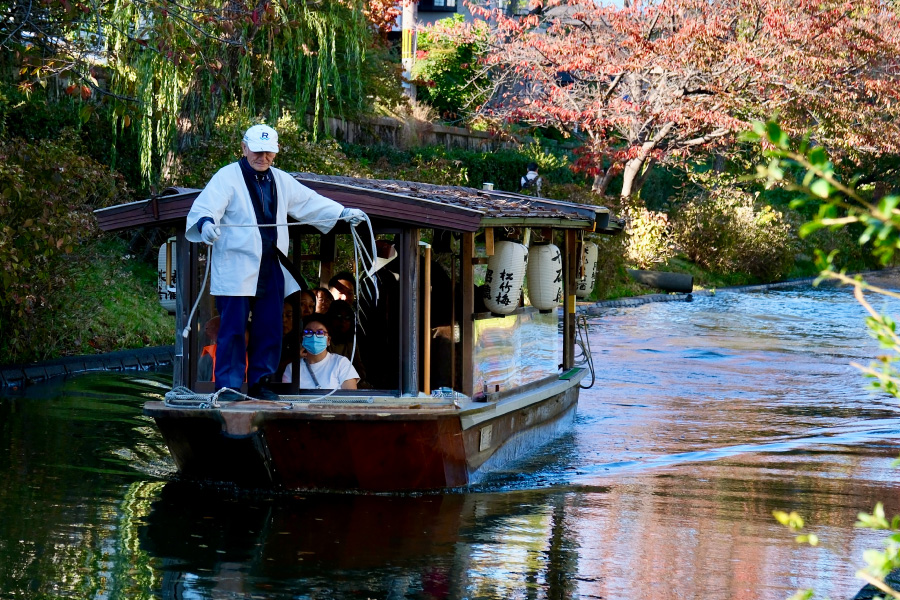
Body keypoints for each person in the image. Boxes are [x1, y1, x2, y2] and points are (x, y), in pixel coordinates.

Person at [185, 124, 366, 401]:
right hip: (236, 264)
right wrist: (206, 224)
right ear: (244, 148)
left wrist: (342, 213)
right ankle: (229, 387)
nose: (263, 157)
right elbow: (206, 207)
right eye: (257, 151)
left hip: (270, 266)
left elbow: (309, 202)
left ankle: (261, 382)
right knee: (233, 327)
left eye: (268, 152)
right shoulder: (227, 177)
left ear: (276, 152)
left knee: (269, 326)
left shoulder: (280, 180)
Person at [282, 313, 359, 390]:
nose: (314, 336)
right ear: (302, 339)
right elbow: (287, 398)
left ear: (328, 340)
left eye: (320, 332)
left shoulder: (341, 363)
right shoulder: (292, 368)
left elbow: (351, 399)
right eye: (308, 332)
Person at [326, 299, 367, 386]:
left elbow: (360, 370)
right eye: (338, 316)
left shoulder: (351, 343)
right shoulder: (321, 340)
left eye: (347, 318)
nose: (343, 321)